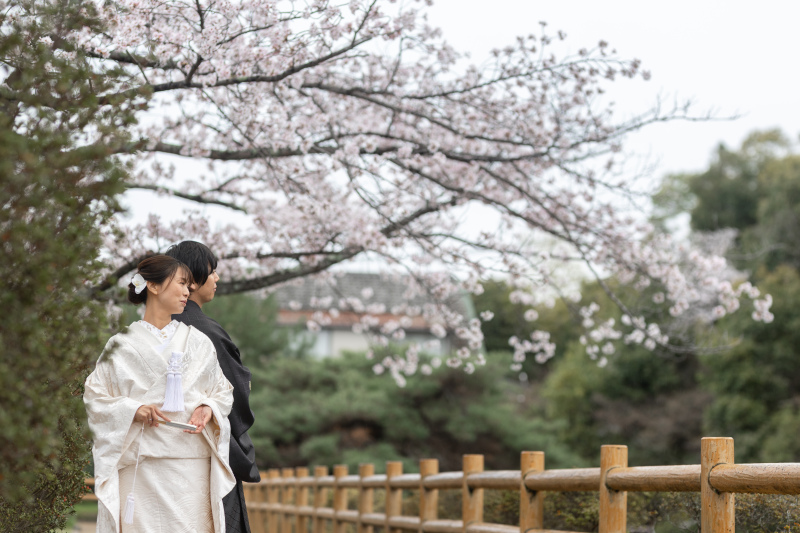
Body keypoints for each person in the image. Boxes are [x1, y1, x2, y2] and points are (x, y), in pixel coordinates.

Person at [84, 255, 236, 533]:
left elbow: (222, 391)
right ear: (153, 287)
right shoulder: (120, 345)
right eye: (181, 283)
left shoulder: (198, 342)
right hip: (141, 468)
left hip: (191, 469)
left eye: (189, 286)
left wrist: (208, 407)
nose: (187, 292)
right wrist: (132, 409)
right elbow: (96, 397)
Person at [166, 241, 261, 533]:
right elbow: (235, 394)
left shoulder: (156, 327)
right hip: (208, 453)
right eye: (212, 272)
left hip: (163, 456)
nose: (217, 279)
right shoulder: (206, 332)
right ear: (192, 280)